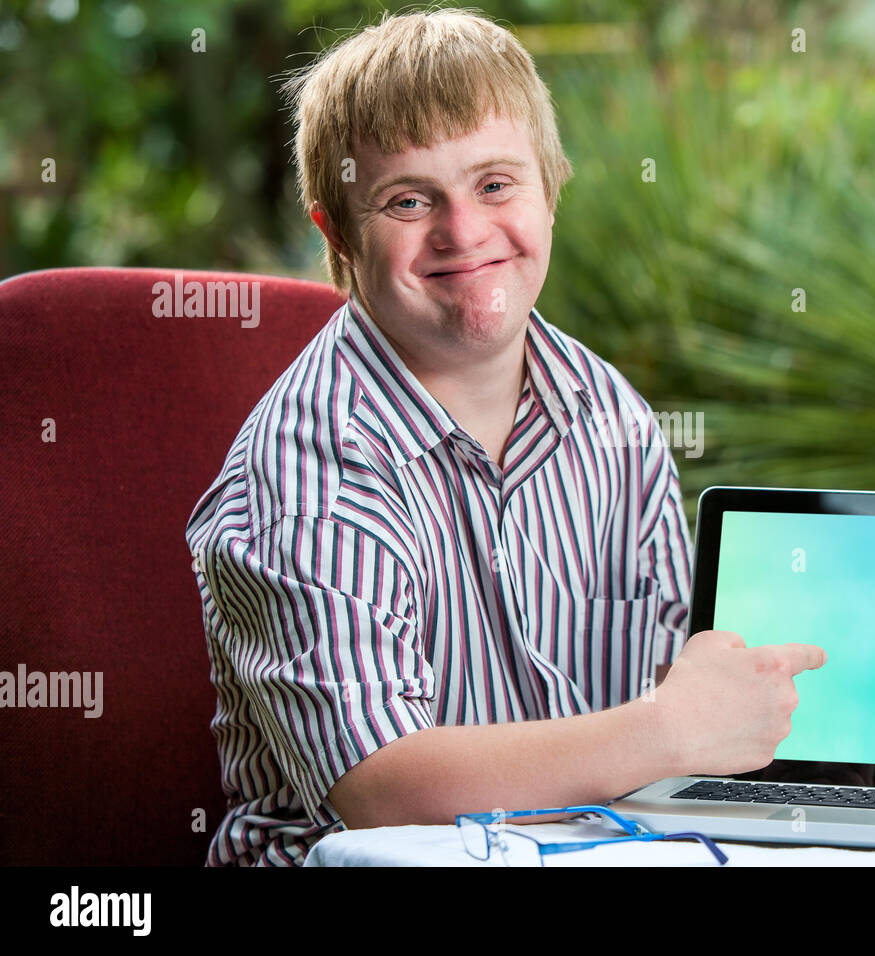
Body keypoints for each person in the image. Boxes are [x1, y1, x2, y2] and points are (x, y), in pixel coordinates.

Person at [185, 6, 825, 866]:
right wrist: (668, 730)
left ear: (552, 185)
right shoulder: (309, 466)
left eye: (495, 184)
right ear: (336, 232)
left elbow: (678, 694)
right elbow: (380, 790)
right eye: (408, 200)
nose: (464, 230)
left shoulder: (611, 413)